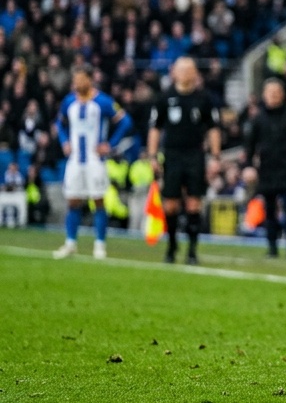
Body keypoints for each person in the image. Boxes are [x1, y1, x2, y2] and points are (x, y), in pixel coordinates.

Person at [147, 58, 221, 265]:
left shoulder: (204, 99)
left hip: (195, 155)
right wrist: (153, 156)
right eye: (182, 69)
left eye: (190, 69)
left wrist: (215, 157)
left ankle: (192, 250)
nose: (187, 73)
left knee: (193, 202)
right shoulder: (164, 98)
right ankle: (171, 245)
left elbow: (213, 129)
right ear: (174, 73)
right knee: (170, 204)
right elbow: (155, 128)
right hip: (172, 155)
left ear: (196, 72)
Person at [53, 65, 132, 259]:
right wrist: (64, 141)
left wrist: (110, 145)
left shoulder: (103, 102)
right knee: (73, 200)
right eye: (75, 80)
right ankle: (71, 242)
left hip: (95, 159)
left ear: (90, 80)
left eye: (80, 79)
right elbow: (59, 123)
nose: (77, 83)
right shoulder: (69, 101)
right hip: (75, 160)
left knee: (98, 200)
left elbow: (125, 121)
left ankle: (100, 245)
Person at [242, 79, 286, 258]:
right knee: (269, 209)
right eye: (270, 93)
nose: (273, 96)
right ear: (264, 95)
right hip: (267, 168)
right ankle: (272, 246)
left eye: (277, 92)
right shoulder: (258, 119)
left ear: (283, 94)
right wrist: (248, 166)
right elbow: (250, 145)